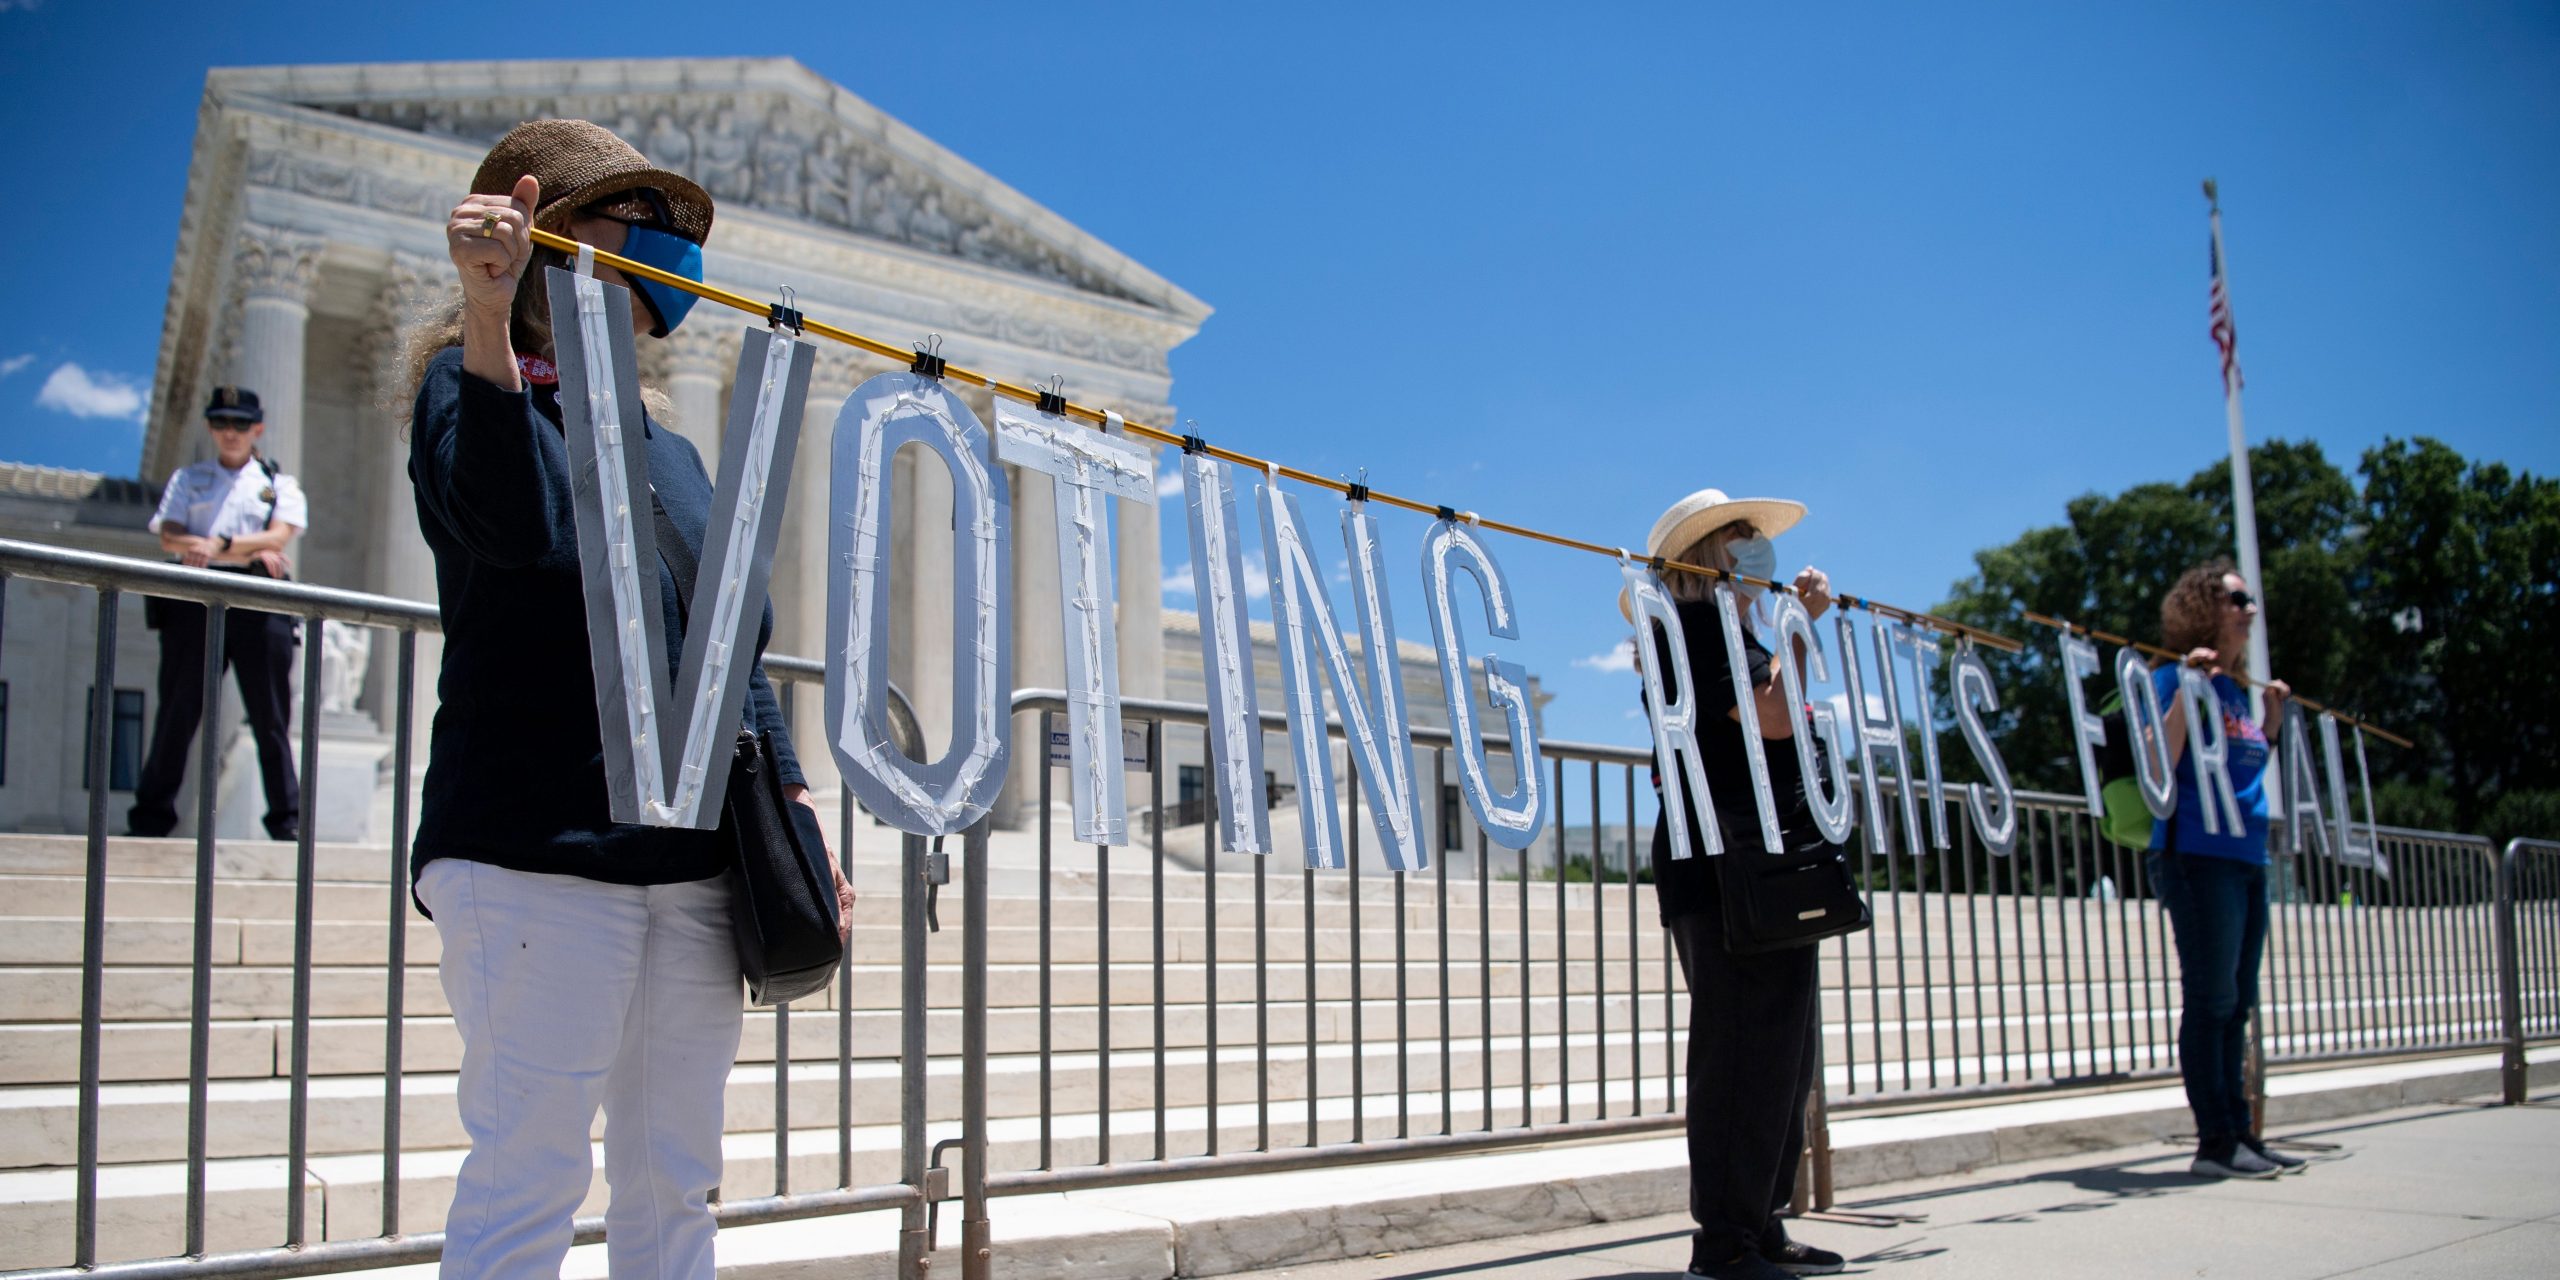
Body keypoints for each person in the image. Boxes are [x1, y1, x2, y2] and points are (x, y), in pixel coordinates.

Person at [402, 119, 853, 1280]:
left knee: (677, 1177)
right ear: (545, 236)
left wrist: (794, 798)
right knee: (530, 1173)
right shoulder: (467, 386)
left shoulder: (671, 449)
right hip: (534, 848)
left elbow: (731, 643)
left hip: (693, 862)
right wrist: (490, 317)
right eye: (629, 232)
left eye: (667, 248)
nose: (658, 264)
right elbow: (504, 525)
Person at [1632, 488, 1846, 1280]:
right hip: (1722, 861)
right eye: (1743, 536)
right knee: (1742, 1051)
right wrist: (1800, 632)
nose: (1759, 548)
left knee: (1786, 1056)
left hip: (1762, 859)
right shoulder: (1688, 629)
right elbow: (1770, 718)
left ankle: (1760, 1223)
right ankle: (1724, 1243)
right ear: (1709, 553)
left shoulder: (1733, 629)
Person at [2146, 559, 2303, 1180]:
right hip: (2196, 858)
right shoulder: (2171, 676)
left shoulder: (2237, 690)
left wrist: (2269, 725)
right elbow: (2165, 760)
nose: (2249, 607)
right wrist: (2187, 689)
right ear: (2206, 607)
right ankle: (2215, 1142)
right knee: (2211, 1000)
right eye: (2236, 598)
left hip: (2245, 855)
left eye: (2249, 598)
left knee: (2236, 1003)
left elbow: (2238, 772)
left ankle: (2241, 1133)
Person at [127, 387, 306, 841]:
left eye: (240, 424)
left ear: (257, 429)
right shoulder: (190, 478)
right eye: (222, 423)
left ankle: (287, 822)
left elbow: (281, 535)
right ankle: (151, 819)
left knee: (271, 716)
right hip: (195, 599)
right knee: (178, 712)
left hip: (256, 597)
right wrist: (249, 544)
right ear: (210, 427)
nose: (231, 432)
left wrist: (217, 544)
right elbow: (169, 535)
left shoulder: (277, 483)